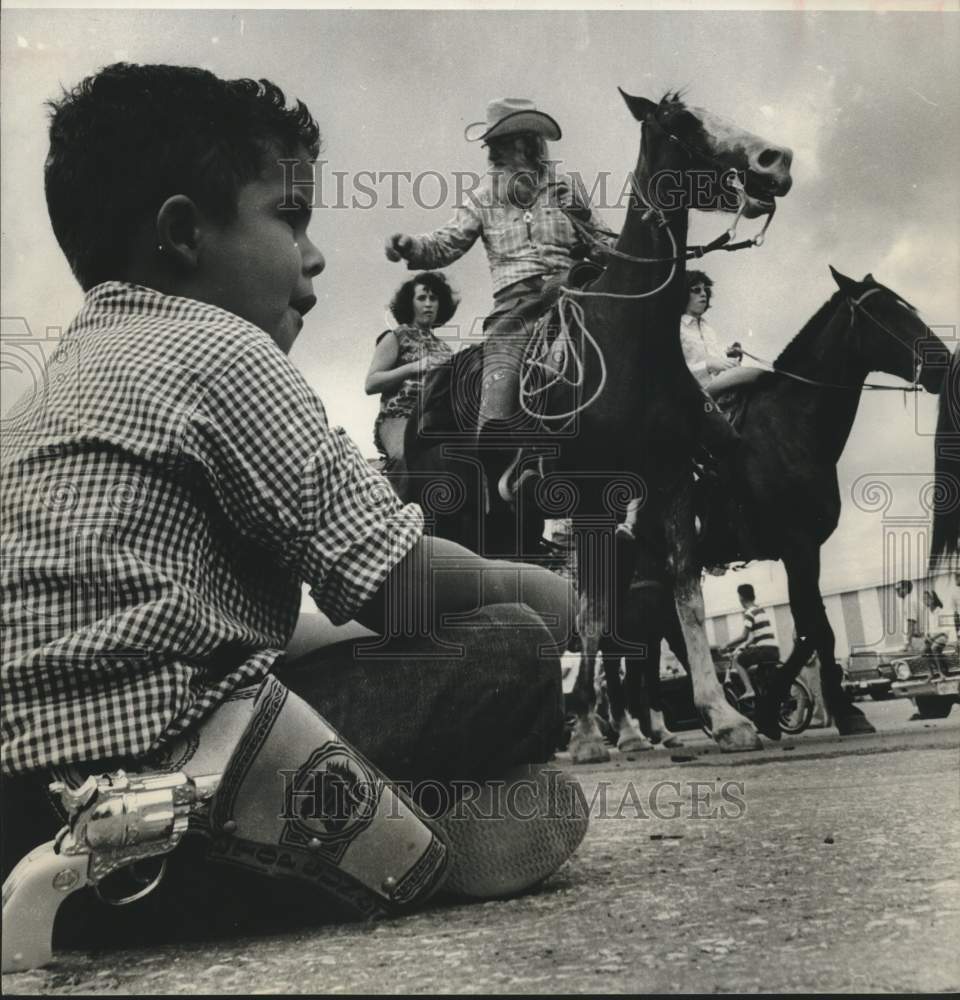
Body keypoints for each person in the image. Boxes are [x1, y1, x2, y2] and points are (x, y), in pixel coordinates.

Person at [0, 64, 586, 950]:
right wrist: (553, 594)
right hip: (163, 783)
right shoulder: (222, 349)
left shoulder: (45, 397)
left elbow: (234, 634)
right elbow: (402, 583)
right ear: (183, 234)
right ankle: (351, 850)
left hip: (17, 795)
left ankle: (183, 866)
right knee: (507, 649)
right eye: (290, 217)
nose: (312, 257)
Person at [384, 98, 609, 462]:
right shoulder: (482, 198)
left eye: (504, 144)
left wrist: (581, 216)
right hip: (516, 307)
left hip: (576, 292)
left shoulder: (567, 189)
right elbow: (446, 243)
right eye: (491, 146)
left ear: (531, 144)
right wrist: (410, 246)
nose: (494, 155)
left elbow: (607, 249)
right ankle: (501, 447)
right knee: (500, 381)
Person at [365, 271, 457, 466]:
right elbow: (371, 383)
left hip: (435, 421)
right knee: (404, 460)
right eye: (421, 298)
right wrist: (414, 367)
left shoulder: (446, 350)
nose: (428, 303)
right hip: (400, 417)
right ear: (410, 303)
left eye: (434, 298)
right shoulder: (396, 336)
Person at [719, 583, 781, 703]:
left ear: (741, 597)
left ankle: (749, 690)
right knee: (760, 678)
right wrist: (745, 646)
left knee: (738, 660)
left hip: (763, 650)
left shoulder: (749, 613)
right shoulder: (760, 610)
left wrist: (726, 645)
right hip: (773, 650)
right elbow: (754, 637)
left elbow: (744, 636)